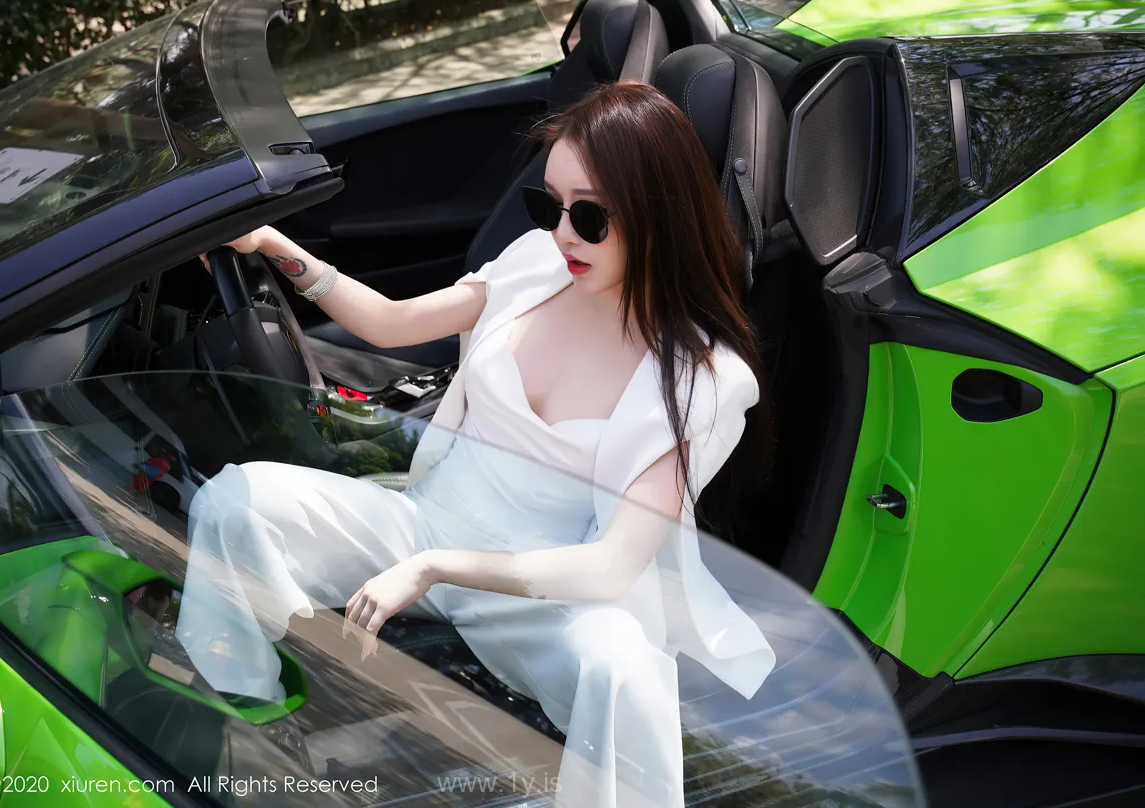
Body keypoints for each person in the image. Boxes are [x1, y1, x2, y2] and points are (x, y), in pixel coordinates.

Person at [177, 81, 776, 808]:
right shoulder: (536, 265)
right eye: (548, 205)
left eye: (588, 215)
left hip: (541, 598)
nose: (563, 233)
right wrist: (273, 245)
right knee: (237, 500)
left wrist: (434, 569)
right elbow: (393, 323)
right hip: (422, 521)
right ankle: (246, 729)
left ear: (657, 215)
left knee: (626, 671)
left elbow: (611, 567)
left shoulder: (700, 378)